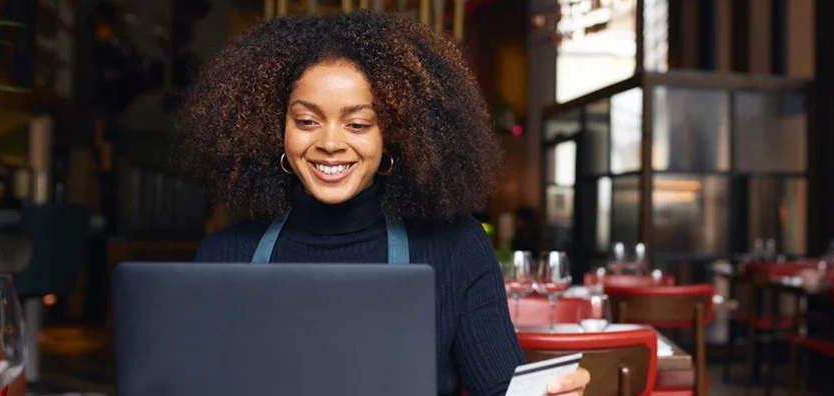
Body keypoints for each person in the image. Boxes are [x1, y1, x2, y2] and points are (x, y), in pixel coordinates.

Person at [178, 12, 590, 396]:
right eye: (307, 121)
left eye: (358, 124)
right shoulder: (226, 254)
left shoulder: (456, 248)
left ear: (394, 133)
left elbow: (502, 390)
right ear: (274, 127)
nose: (330, 143)